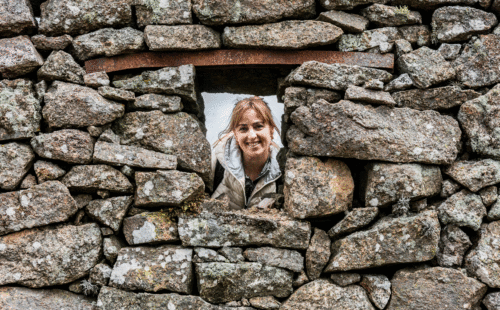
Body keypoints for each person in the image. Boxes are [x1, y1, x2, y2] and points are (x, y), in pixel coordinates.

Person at [211, 96, 281, 210]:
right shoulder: (217, 161)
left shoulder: (282, 170)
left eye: (258, 126)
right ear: (235, 134)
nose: (252, 136)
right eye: (243, 129)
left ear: (271, 130)